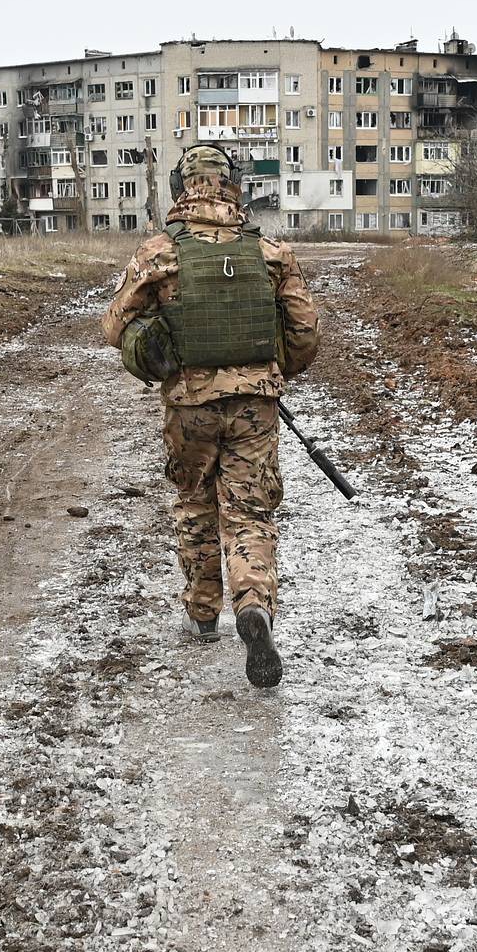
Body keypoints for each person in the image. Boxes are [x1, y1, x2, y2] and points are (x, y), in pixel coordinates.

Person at [101, 143, 319, 688]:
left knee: (195, 501)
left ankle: (202, 613)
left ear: (181, 186)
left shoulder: (158, 253)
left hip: (188, 405)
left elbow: (114, 327)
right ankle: (253, 605)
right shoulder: (271, 252)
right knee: (250, 511)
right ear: (234, 185)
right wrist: (271, 374)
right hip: (256, 404)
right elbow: (305, 334)